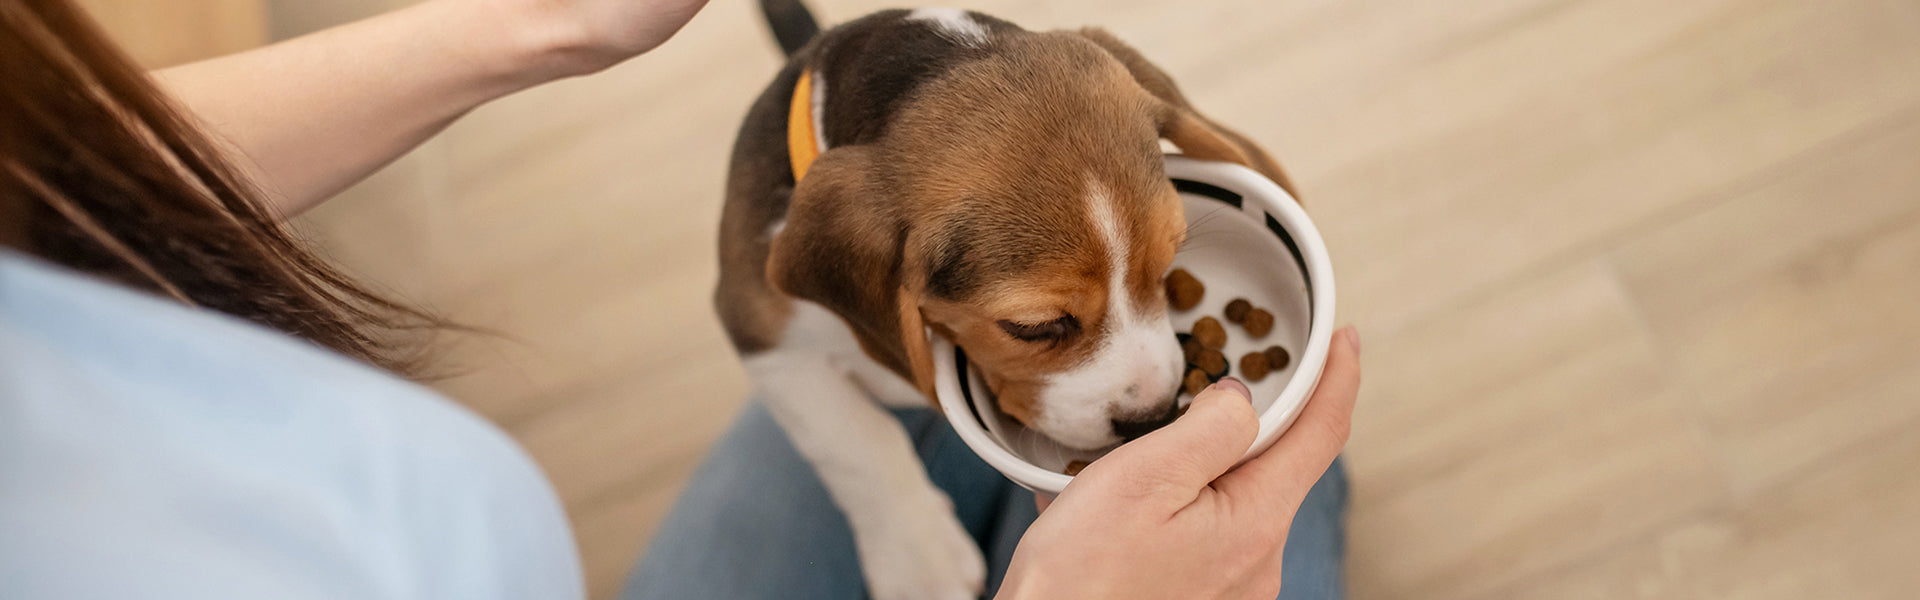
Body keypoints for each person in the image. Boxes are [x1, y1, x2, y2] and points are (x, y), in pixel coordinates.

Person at [0, 0, 1361, 598]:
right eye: (1053, 321)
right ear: (857, 269)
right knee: (1274, 492)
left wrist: (529, 23)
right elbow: (769, 331)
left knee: (1160, 457)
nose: (1150, 370)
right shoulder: (813, 236)